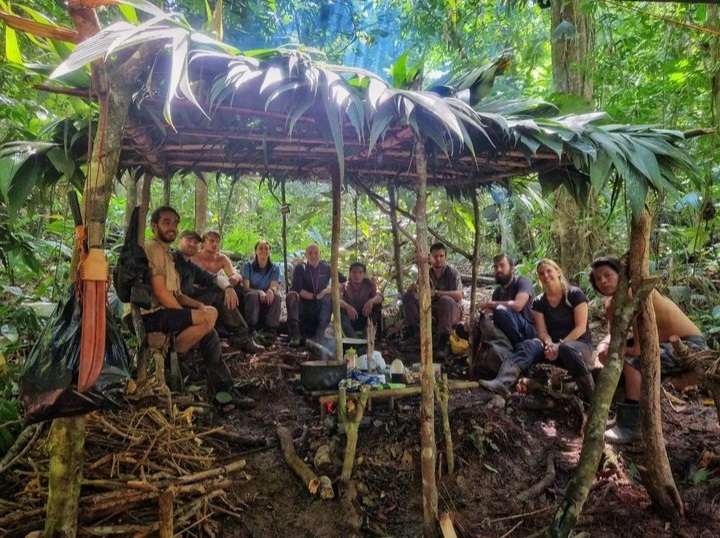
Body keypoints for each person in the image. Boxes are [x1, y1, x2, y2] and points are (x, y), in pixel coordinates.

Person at [141, 206, 254, 408]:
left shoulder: (167, 254)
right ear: (153, 226)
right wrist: (185, 315)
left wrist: (198, 306)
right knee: (209, 316)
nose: (172, 227)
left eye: (175, 223)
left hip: (169, 310)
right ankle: (171, 355)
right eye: (166, 222)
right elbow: (159, 292)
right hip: (153, 314)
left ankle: (224, 388)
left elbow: (179, 293)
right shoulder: (154, 249)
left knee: (209, 330)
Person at [590, 256, 708, 443]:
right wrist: (604, 347)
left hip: (689, 345)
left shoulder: (634, 293)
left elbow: (637, 350)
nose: (603, 281)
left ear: (621, 276)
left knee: (633, 363)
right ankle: (625, 415)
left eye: (608, 275)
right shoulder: (611, 304)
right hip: (658, 345)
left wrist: (622, 352)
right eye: (598, 278)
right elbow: (613, 335)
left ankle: (632, 426)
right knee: (609, 357)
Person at [478, 258, 595, 401]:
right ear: (538, 278)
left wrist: (559, 345)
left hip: (580, 346)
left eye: (549, 271)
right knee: (530, 344)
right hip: (552, 347)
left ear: (558, 272)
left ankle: (591, 397)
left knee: (566, 349)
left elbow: (581, 327)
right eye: (541, 273)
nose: (545, 275)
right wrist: (549, 344)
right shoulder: (539, 302)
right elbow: (542, 332)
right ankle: (502, 382)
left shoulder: (574, 294)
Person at [174, 230, 264, 353]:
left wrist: (228, 287)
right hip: (180, 303)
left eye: (195, 242)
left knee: (227, 290)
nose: (192, 244)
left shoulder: (191, 265)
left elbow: (214, 277)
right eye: (188, 241)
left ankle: (241, 334)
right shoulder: (173, 258)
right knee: (218, 294)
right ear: (179, 241)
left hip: (195, 297)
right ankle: (242, 335)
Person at [402, 242, 463, 359]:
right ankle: (414, 334)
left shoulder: (452, 273)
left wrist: (438, 293)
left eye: (441, 256)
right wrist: (412, 290)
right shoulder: (426, 273)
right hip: (431, 310)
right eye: (435, 256)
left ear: (446, 256)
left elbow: (459, 295)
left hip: (451, 311)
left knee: (444, 300)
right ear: (430, 257)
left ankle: (443, 342)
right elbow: (419, 294)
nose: (438, 259)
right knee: (407, 296)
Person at [476, 254, 536, 348]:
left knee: (500, 310)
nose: (498, 270)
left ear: (512, 268)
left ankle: (518, 346)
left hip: (527, 330)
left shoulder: (523, 282)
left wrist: (490, 304)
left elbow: (518, 305)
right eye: (496, 267)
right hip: (507, 330)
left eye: (502, 265)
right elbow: (493, 314)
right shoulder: (497, 292)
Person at [286, 243, 336, 347]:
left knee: (329, 297)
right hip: (303, 308)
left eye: (316, 252)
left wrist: (328, 289)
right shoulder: (300, 268)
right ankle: (295, 334)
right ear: (306, 255)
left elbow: (342, 282)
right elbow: (296, 289)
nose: (313, 255)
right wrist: (315, 296)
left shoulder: (327, 268)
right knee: (291, 295)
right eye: (310, 253)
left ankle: (319, 334)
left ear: (320, 254)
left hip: (319, 310)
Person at [240, 240, 282, 335]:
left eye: (266, 248)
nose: (264, 251)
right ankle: (252, 327)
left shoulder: (275, 268)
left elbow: (274, 285)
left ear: (270, 251)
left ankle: (271, 328)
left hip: (267, 299)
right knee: (253, 295)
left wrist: (271, 290)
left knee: (277, 296)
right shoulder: (248, 266)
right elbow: (246, 288)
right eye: (260, 248)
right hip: (252, 299)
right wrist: (259, 291)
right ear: (255, 251)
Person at [340, 262, 383, 339]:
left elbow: (380, 296)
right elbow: (336, 300)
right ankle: (352, 337)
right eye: (354, 272)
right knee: (340, 309)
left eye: (360, 272)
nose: (357, 275)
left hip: (365, 318)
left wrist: (371, 301)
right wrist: (347, 306)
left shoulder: (369, 284)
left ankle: (367, 335)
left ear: (364, 274)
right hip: (350, 320)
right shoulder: (344, 286)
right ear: (349, 274)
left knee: (377, 305)